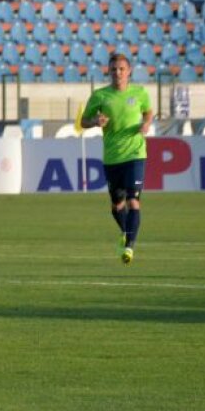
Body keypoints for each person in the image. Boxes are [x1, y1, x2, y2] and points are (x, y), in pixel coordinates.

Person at [79, 53, 153, 265]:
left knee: (133, 200)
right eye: (114, 69)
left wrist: (146, 124)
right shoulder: (100, 96)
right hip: (112, 157)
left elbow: (148, 112)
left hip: (135, 153)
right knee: (117, 205)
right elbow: (83, 121)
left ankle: (129, 247)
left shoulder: (140, 93)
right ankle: (126, 231)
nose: (117, 73)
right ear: (109, 71)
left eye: (121, 69)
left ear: (129, 71)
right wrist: (95, 121)